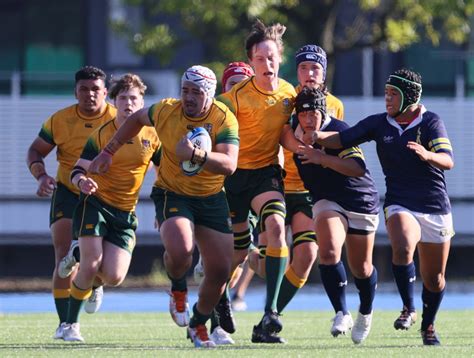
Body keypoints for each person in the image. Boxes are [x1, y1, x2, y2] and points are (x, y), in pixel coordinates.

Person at [88, 65, 239, 348]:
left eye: (196, 92)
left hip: (211, 198)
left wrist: (196, 154)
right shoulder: (166, 110)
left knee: (220, 271)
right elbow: (135, 120)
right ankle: (178, 288)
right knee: (182, 251)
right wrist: (109, 151)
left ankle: (197, 323)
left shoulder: (223, 118)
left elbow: (230, 164)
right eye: (185, 90)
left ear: (210, 94)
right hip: (173, 193)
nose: (189, 97)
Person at [312, 69, 455, 346]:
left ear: (410, 97)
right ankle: (408, 308)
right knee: (401, 244)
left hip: (434, 205)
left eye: (393, 94)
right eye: (386, 93)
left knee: (435, 278)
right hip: (400, 201)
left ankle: (428, 325)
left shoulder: (431, 122)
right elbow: (342, 139)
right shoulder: (380, 123)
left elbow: (448, 160)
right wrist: (315, 135)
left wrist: (428, 154)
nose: (387, 99)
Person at [56, 73, 160, 342]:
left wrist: (163, 209)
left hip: (126, 213)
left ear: (142, 102)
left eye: (133, 98)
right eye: (122, 97)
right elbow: (77, 170)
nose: (128, 103)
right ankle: (69, 325)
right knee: (91, 263)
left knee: (113, 276)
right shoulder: (101, 135)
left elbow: (164, 174)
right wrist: (82, 182)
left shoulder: (153, 134)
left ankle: (89, 272)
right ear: (114, 101)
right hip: (96, 204)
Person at [217, 19, 301, 344]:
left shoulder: (288, 94)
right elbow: (209, 130)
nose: (267, 63)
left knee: (277, 229)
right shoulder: (233, 99)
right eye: (260, 58)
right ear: (251, 63)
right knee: (237, 255)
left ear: (280, 57)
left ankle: (270, 315)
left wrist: (307, 144)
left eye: (272, 57)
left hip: (266, 174)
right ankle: (218, 297)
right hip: (234, 178)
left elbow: (287, 135)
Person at [26, 66, 116, 339]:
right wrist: (41, 176)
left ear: (106, 93)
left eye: (95, 90)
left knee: (100, 263)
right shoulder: (60, 120)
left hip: (105, 195)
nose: (90, 95)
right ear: (75, 92)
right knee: (64, 256)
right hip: (67, 191)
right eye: (84, 89)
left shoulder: (119, 120)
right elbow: (35, 150)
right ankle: (66, 323)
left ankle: (95, 282)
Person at [293, 87, 380, 344]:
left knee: (361, 267)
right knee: (329, 250)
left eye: (314, 113)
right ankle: (342, 312)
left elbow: (357, 168)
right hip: (326, 200)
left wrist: (320, 157)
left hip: (359, 199)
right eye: (303, 113)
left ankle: (365, 311)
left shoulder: (339, 130)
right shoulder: (292, 131)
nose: (308, 119)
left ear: (324, 112)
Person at [273, 44, 346, 325]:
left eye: (315, 67)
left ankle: (272, 314)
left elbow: (337, 144)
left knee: (306, 256)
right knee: (265, 257)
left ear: (324, 72)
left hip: (308, 190)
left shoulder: (335, 104)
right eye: (303, 67)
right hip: (275, 186)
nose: (309, 73)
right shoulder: (284, 99)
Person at [193, 61, 254, 344]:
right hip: (219, 191)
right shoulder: (214, 115)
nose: (239, 89)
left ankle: (221, 294)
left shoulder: (261, 112)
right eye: (233, 84)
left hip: (251, 189)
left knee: (238, 257)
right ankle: (216, 324)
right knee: (222, 259)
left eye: (245, 83)